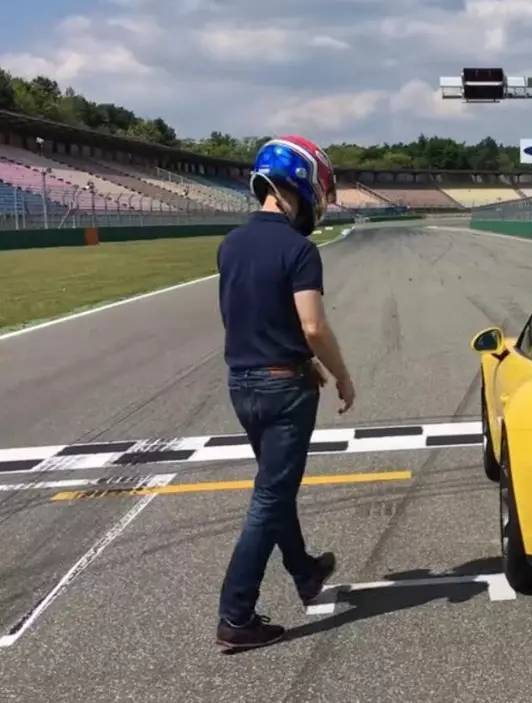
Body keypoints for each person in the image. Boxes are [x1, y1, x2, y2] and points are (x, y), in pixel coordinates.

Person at [214, 135, 356, 651]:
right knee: (271, 496)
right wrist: (340, 374)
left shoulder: (230, 244)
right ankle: (236, 614)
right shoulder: (299, 250)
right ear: (304, 184)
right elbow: (312, 324)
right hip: (284, 389)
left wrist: (298, 357)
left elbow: (251, 315)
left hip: (242, 382)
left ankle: (303, 570)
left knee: (275, 488)